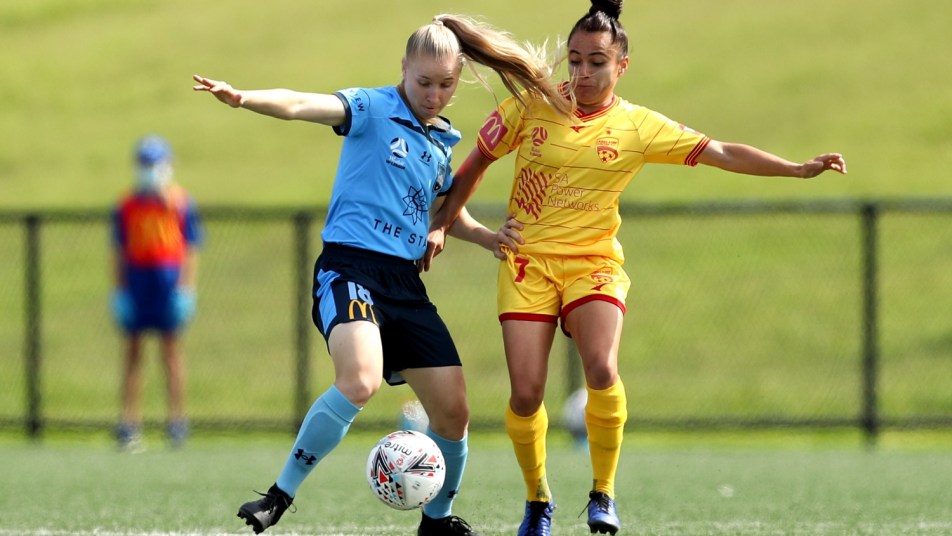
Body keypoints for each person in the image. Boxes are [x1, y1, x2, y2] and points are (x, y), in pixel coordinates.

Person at [424, 1, 848, 534]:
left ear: (621, 66)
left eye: (595, 62)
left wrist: (795, 168)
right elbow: (474, 164)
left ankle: (603, 494)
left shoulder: (637, 126)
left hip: (594, 265)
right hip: (527, 265)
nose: (581, 72)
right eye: (574, 60)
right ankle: (538, 501)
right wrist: (445, 223)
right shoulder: (532, 107)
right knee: (526, 394)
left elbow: (721, 151)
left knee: (601, 368)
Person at [192, 13, 567, 536]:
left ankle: (435, 523)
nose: (434, 94)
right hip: (349, 269)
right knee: (361, 381)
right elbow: (303, 104)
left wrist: (487, 237)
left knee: (454, 412)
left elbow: (443, 213)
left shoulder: (442, 143)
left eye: (446, 85)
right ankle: (278, 496)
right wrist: (244, 97)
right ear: (403, 70)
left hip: (404, 285)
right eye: (424, 82)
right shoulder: (371, 108)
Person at [112, 135, 203, 451]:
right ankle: (129, 424)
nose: (149, 170)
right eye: (144, 164)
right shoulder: (126, 205)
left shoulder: (180, 202)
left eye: (155, 164)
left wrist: (186, 289)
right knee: (133, 354)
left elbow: (191, 248)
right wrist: (120, 291)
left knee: (171, 353)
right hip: (137, 281)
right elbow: (119, 250)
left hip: (168, 281)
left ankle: (177, 422)